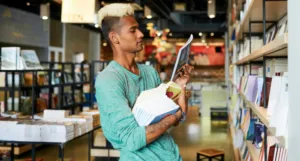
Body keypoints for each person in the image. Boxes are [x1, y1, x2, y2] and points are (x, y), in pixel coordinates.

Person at [95, 3, 193, 161]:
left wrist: (178, 85)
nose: (141, 34)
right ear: (114, 37)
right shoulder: (108, 80)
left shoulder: (150, 72)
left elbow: (170, 114)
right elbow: (133, 139)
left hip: (171, 155)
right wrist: (175, 116)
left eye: (138, 29)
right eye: (133, 30)